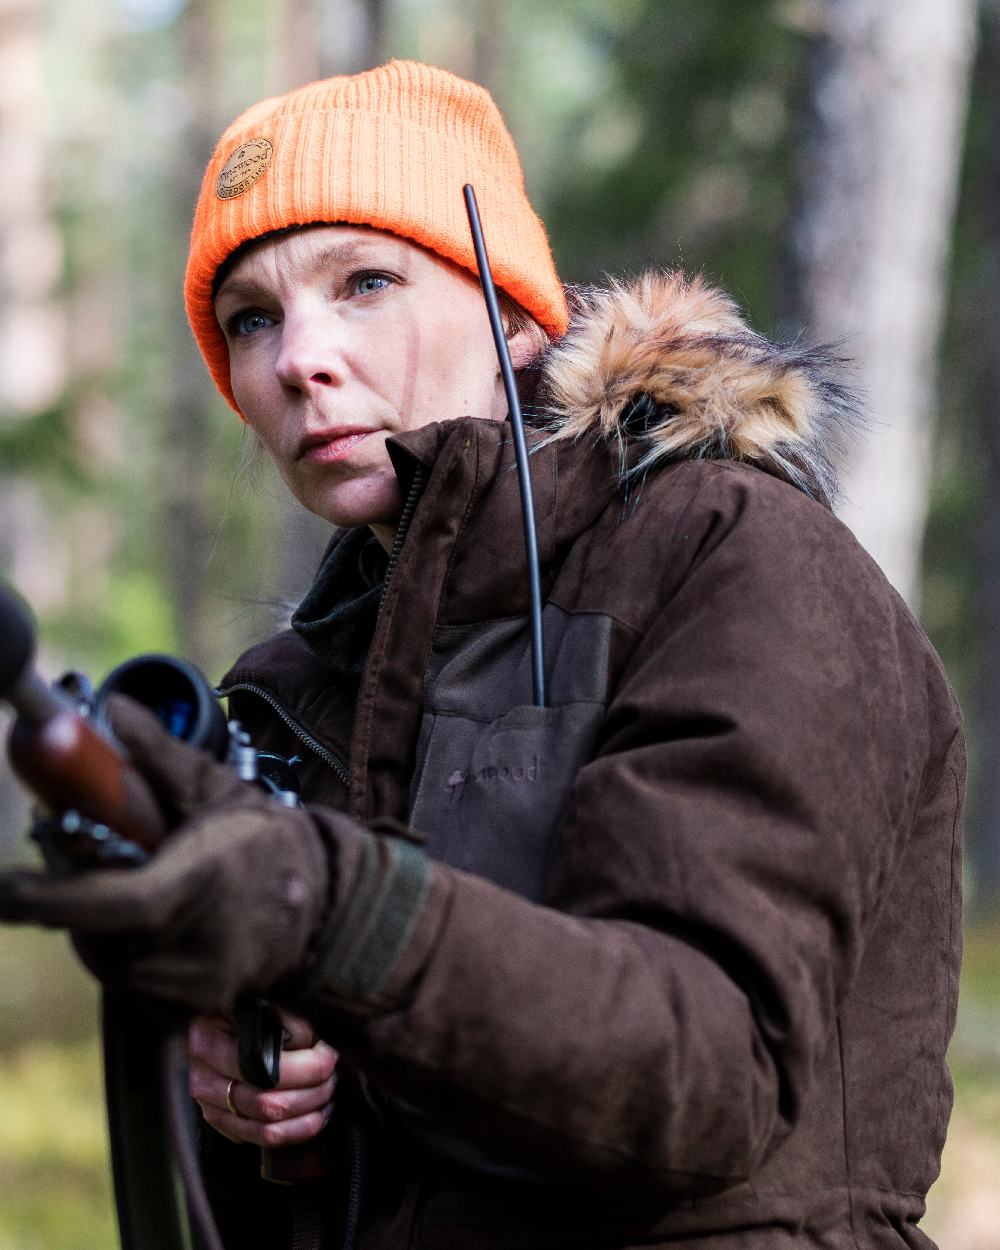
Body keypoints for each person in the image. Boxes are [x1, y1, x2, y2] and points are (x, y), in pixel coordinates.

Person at [0, 59, 964, 1250]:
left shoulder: (734, 559)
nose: (300, 356)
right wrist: (255, 1098)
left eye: (365, 282)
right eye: (253, 316)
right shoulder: (290, 689)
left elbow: (706, 1073)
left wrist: (324, 909)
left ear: (512, 312)